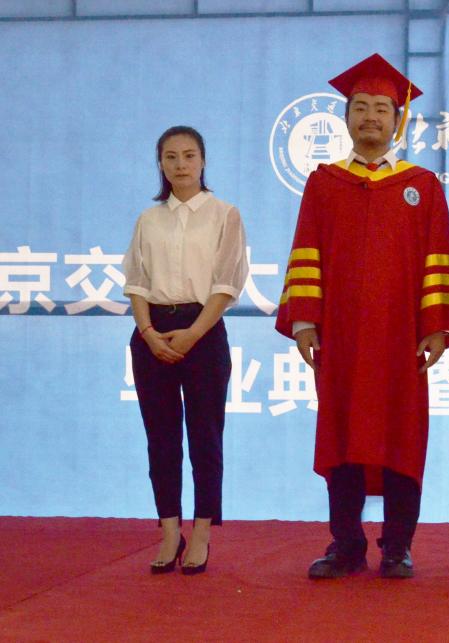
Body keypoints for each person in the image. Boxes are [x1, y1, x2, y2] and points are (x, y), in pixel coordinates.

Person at [274, 53, 449, 580]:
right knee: (342, 438)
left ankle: (397, 546)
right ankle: (346, 545)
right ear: (346, 117)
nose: (371, 116)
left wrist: (436, 328)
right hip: (343, 338)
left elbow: (438, 259)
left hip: (402, 340)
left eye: (381, 108)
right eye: (360, 107)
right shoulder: (324, 183)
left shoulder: (422, 185)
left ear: (398, 119)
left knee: (402, 438)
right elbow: (306, 251)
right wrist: (305, 322)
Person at [123, 125, 249, 575]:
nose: (180, 165)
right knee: (160, 438)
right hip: (152, 334)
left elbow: (227, 283)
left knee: (205, 436)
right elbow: (136, 282)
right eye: (171, 156)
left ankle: (201, 533)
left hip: (204, 331)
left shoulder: (224, 214)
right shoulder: (148, 219)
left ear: (203, 161)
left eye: (189, 155)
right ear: (160, 163)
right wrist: (148, 331)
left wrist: (193, 334)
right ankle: (169, 531)